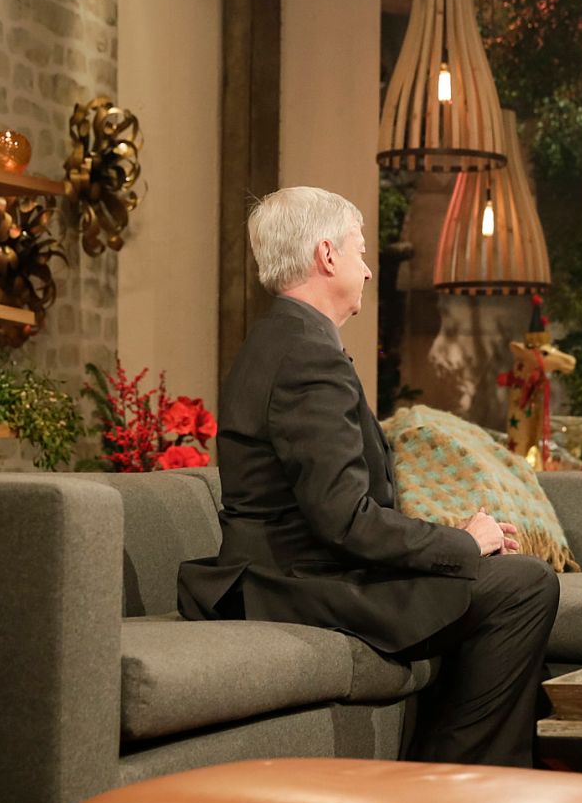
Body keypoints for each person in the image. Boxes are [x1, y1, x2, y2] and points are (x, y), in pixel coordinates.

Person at [177, 186, 560, 767]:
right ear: (327, 256)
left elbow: (335, 506)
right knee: (524, 585)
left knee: (494, 581)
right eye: (360, 252)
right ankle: (457, 785)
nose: (367, 272)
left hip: (293, 566)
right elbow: (344, 520)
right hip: (295, 580)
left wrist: (447, 543)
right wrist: (461, 543)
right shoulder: (307, 353)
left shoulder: (279, 338)